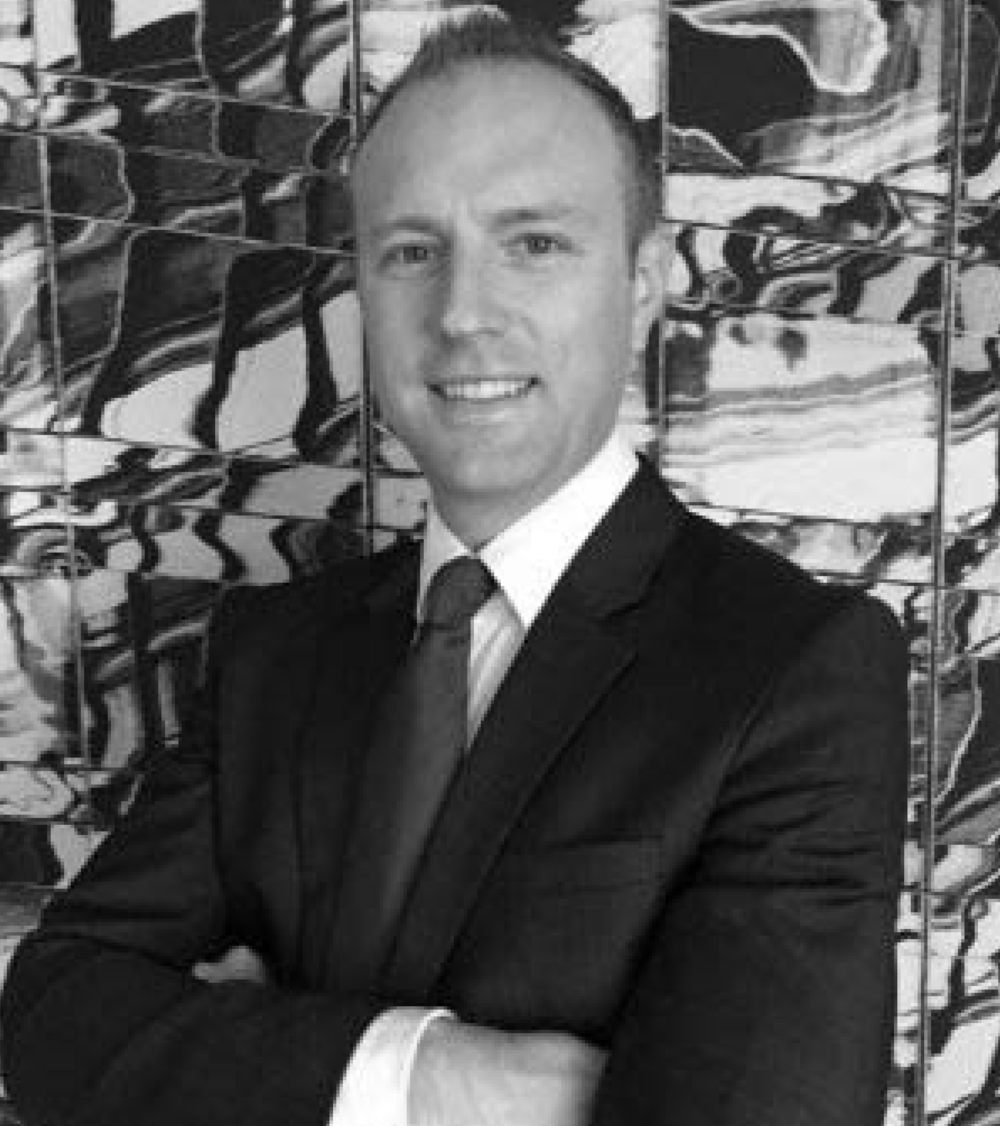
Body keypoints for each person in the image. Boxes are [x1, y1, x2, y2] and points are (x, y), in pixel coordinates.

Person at [1, 12, 909, 1126]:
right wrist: (440, 1077)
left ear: (643, 282)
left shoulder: (793, 665)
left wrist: (246, 1047)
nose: (463, 313)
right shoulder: (273, 653)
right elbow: (54, 1018)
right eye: (413, 251)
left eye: (535, 243)